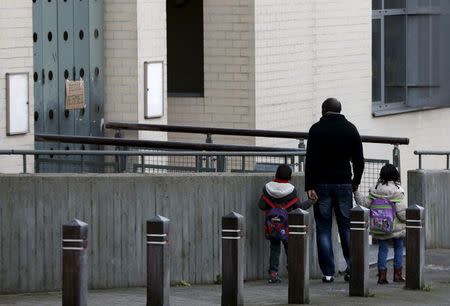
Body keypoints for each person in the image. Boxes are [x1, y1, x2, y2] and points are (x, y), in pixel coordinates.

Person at [304, 98, 364, 283]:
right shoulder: (350, 128)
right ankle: (351, 269)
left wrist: (309, 186)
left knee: (323, 228)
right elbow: (359, 160)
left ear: (323, 110)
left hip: (321, 184)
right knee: (346, 227)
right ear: (340, 110)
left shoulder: (316, 129)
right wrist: (355, 182)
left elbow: (310, 160)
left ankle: (328, 272)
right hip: (343, 183)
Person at [258, 164, 315, 283]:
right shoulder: (291, 190)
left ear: (276, 174)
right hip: (287, 226)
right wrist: (310, 202)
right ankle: (293, 273)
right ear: (290, 176)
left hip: (272, 226)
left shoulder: (268, 188)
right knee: (290, 249)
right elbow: (298, 208)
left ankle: (273, 274)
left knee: (274, 248)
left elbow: (261, 206)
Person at [354, 164, 406, 284]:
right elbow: (402, 213)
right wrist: (409, 220)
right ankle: (397, 275)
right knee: (398, 247)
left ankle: (382, 276)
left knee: (382, 249)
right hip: (395, 227)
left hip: (379, 226)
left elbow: (364, 204)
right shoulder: (398, 191)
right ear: (395, 175)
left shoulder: (375, 190)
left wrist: (356, 191)